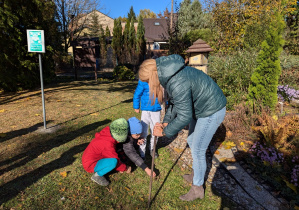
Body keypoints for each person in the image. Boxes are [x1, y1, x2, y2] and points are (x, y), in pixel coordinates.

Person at [138, 54, 227, 201]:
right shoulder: (169, 75)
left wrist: (165, 132)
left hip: (211, 110)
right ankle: (196, 174)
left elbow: (185, 116)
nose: (147, 85)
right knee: (192, 142)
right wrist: (166, 122)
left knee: (198, 148)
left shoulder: (176, 81)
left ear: (152, 77)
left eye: (147, 82)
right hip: (200, 109)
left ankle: (197, 188)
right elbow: (174, 103)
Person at [82, 118, 131, 186]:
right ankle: (97, 176)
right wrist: (125, 168)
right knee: (113, 162)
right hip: (91, 164)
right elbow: (115, 159)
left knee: (113, 160)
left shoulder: (107, 133)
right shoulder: (107, 145)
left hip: (89, 158)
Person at [133, 78, 162, 158]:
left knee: (155, 130)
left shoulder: (160, 78)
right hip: (145, 110)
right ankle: (142, 151)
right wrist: (136, 106)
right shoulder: (143, 80)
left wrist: (166, 103)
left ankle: (152, 148)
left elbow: (164, 93)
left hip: (156, 109)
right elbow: (137, 93)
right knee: (143, 130)